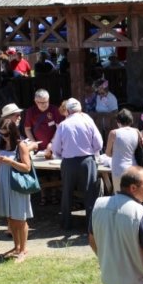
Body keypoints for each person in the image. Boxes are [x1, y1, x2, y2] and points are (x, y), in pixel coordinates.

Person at [51, 98, 103, 231]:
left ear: (67, 111)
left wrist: (60, 155)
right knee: (90, 193)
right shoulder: (88, 121)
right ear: (80, 109)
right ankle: (91, 226)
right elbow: (98, 143)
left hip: (69, 162)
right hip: (87, 161)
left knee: (67, 193)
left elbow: (56, 147)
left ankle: (66, 224)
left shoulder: (63, 125)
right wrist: (93, 152)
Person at [0, 118, 34, 261]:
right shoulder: (2, 144)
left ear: (12, 132)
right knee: (10, 218)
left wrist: (10, 161)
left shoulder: (21, 145)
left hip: (17, 185)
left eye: (6, 134)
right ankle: (16, 247)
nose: (3, 136)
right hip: (4, 183)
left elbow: (27, 167)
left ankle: (23, 249)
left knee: (20, 218)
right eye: (1, 134)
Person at [106, 109, 141, 192]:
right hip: (133, 167)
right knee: (133, 194)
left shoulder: (113, 133)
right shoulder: (137, 131)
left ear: (118, 121)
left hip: (118, 168)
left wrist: (115, 153)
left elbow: (108, 153)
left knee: (119, 194)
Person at [24, 89, 63, 153]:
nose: (44, 104)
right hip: (37, 147)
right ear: (36, 101)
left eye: (46, 101)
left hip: (53, 146)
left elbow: (59, 128)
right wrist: (33, 142)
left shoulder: (54, 110)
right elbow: (27, 129)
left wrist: (52, 142)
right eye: (41, 103)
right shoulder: (30, 111)